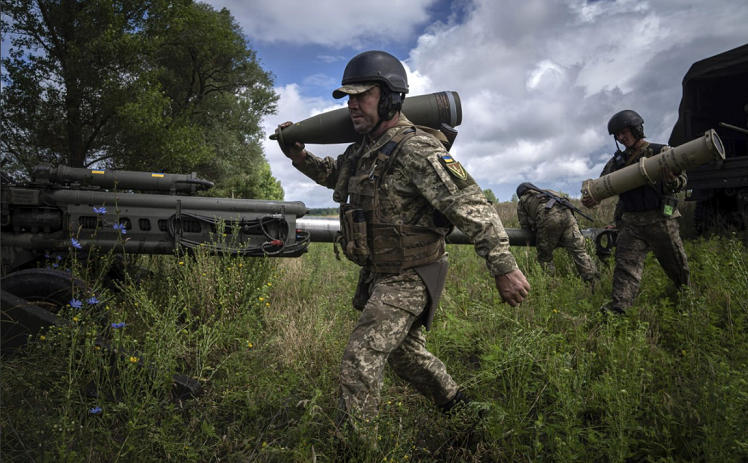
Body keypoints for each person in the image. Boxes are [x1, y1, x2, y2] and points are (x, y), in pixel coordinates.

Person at [275, 50, 530, 431]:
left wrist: (504, 268)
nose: (353, 105)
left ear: (391, 98)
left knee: (361, 355)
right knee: (405, 356)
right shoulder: (362, 150)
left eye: (363, 95)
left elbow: (473, 207)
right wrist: (298, 156)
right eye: (349, 98)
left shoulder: (417, 148)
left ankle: (357, 451)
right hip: (381, 273)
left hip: (412, 274)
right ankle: (465, 415)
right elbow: (335, 175)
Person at [581, 110, 690, 315]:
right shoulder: (617, 163)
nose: (622, 138)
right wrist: (592, 197)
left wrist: (672, 181)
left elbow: (683, 180)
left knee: (676, 264)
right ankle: (619, 310)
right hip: (631, 223)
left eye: (624, 132)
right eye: (618, 135)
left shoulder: (661, 152)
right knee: (625, 267)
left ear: (637, 130)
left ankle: (687, 299)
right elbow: (602, 185)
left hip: (660, 219)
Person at [516, 183, 599, 282]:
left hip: (549, 220)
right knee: (580, 252)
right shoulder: (549, 192)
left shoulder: (523, 199)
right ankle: (594, 282)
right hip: (569, 218)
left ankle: (550, 285)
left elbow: (525, 226)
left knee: (545, 258)